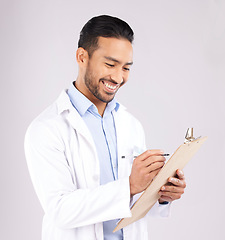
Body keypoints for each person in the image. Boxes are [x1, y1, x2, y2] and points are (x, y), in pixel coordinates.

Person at [24, 15, 186, 240]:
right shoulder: (46, 128)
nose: (118, 77)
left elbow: (131, 203)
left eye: (126, 68)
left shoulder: (130, 125)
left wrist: (161, 194)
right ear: (82, 57)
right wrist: (129, 185)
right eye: (110, 64)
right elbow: (60, 209)